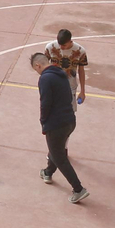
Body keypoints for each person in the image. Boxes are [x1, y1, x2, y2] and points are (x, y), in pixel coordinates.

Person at [32, 51, 89, 203]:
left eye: (36, 69)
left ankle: (78, 189)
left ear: (38, 65)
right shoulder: (61, 73)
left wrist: (43, 122)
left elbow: (45, 103)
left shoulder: (45, 79)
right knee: (56, 149)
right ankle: (48, 172)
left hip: (56, 124)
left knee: (59, 157)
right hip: (70, 120)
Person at [46, 29, 89, 108]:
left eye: (64, 45)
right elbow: (44, 66)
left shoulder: (80, 51)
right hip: (53, 85)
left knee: (69, 112)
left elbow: (81, 71)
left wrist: (82, 91)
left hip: (70, 86)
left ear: (70, 41)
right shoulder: (50, 47)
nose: (61, 47)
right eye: (59, 44)